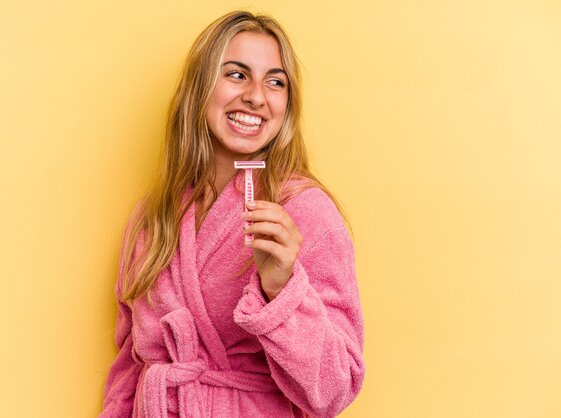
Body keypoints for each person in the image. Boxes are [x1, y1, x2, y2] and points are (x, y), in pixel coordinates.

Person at [99, 11, 365, 418]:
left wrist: (281, 290)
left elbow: (335, 390)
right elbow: (129, 368)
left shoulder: (304, 213)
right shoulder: (152, 220)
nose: (257, 96)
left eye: (275, 81)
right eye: (237, 74)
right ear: (200, 88)